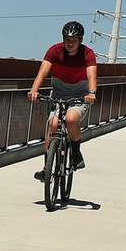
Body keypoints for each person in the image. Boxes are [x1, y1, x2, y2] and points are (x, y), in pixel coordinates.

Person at [28, 21, 97, 180]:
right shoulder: (54, 51)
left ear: (80, 40)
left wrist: (91, 93)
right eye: (67, 39)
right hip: (58, 92)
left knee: (71, 119)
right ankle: (47, 168)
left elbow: (92, 75)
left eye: (73, 40)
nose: (69, 44)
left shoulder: (87, 54)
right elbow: (42, 72)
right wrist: (34, 90)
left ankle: (76, 153)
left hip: (80, 94)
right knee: (52, 124)